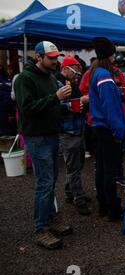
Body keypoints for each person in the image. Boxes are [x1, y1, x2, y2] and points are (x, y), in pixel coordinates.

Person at [14, 41, 73, 249]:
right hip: (36, 136)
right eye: (51, 58)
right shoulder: (24, 79)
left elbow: (53, 106)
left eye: (56, 57)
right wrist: (56, 97)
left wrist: (70, 107)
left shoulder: (49, 77)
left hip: (50, 133)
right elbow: (27, 108)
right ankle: (40, 229)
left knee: (51, 180)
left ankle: (50, 220)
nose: (55, 61)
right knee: (44, 182)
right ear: (38, 57)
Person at [89, 37, 125, 221]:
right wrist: (119, 132)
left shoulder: (95, 72)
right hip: (107, 129)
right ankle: (113, 209)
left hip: (99, 127)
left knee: (102, 169)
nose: (115, 57)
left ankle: (103, 205)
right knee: (109, 170)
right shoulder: (104, 75)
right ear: (109, 54)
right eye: (113, 53)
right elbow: (111, 108)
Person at [55, 57, 91, 216]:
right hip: (68, 131)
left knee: (77, 163)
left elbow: (76, 103)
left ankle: (70, 193)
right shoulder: (57, 83)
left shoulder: (71, 83)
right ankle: (79, 199)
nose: (76, 75)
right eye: (74, 71)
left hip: (77, 128)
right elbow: (54, 106)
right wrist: (72, 104)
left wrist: (82, 102)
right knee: (73, 167)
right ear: (65, 68)